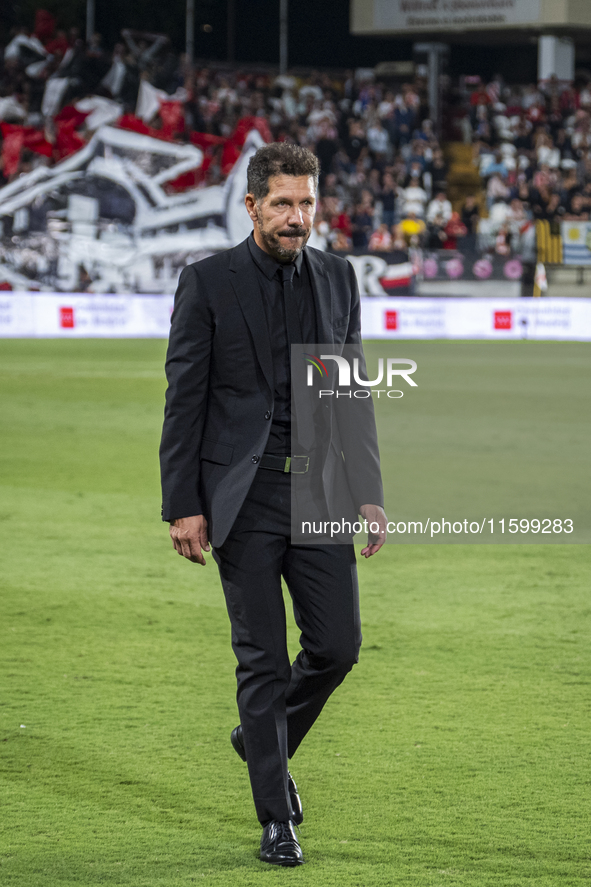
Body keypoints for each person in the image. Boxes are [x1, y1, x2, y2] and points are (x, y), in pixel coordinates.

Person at [160, 143, 386, 867]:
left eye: (307, 203)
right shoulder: (206, 283)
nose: (298, 218)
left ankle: (259, 736)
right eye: (283, 204)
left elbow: (350, 391)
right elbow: (184, 401)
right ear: (251, 204)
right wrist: (183, 504)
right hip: (242, 497)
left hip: (318, 489)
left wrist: (369, 491)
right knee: (259, 660)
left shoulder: (337, 277)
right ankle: (274, 818)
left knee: (336, 646)